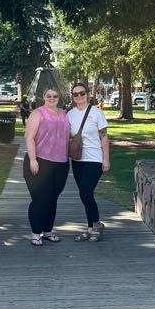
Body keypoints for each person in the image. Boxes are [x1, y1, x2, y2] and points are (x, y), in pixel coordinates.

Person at [23, 87, 70, 246]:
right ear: (43, 97)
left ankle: (48, 231)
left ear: (59, 97)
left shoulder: (64, 113)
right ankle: (36, 233)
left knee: (52, 199)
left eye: (55, 96)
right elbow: (29, 137)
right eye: (48, 96)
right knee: (41, 199)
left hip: (61, 163)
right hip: (40, 161)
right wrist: (33, 159)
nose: (52, 98)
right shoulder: (37, 113)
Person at [67, 82, 110, 242]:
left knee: (85, 192)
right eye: (75, 94)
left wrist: (106, 159)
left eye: (82, 93)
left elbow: (104, 137)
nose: (79, 96)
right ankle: (91, 228)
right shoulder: (69, 115)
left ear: (88, 95)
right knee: (86, 195)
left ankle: (97, 223)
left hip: (94, 159)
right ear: (72, 97)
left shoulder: (96, 113)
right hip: (78, 160)